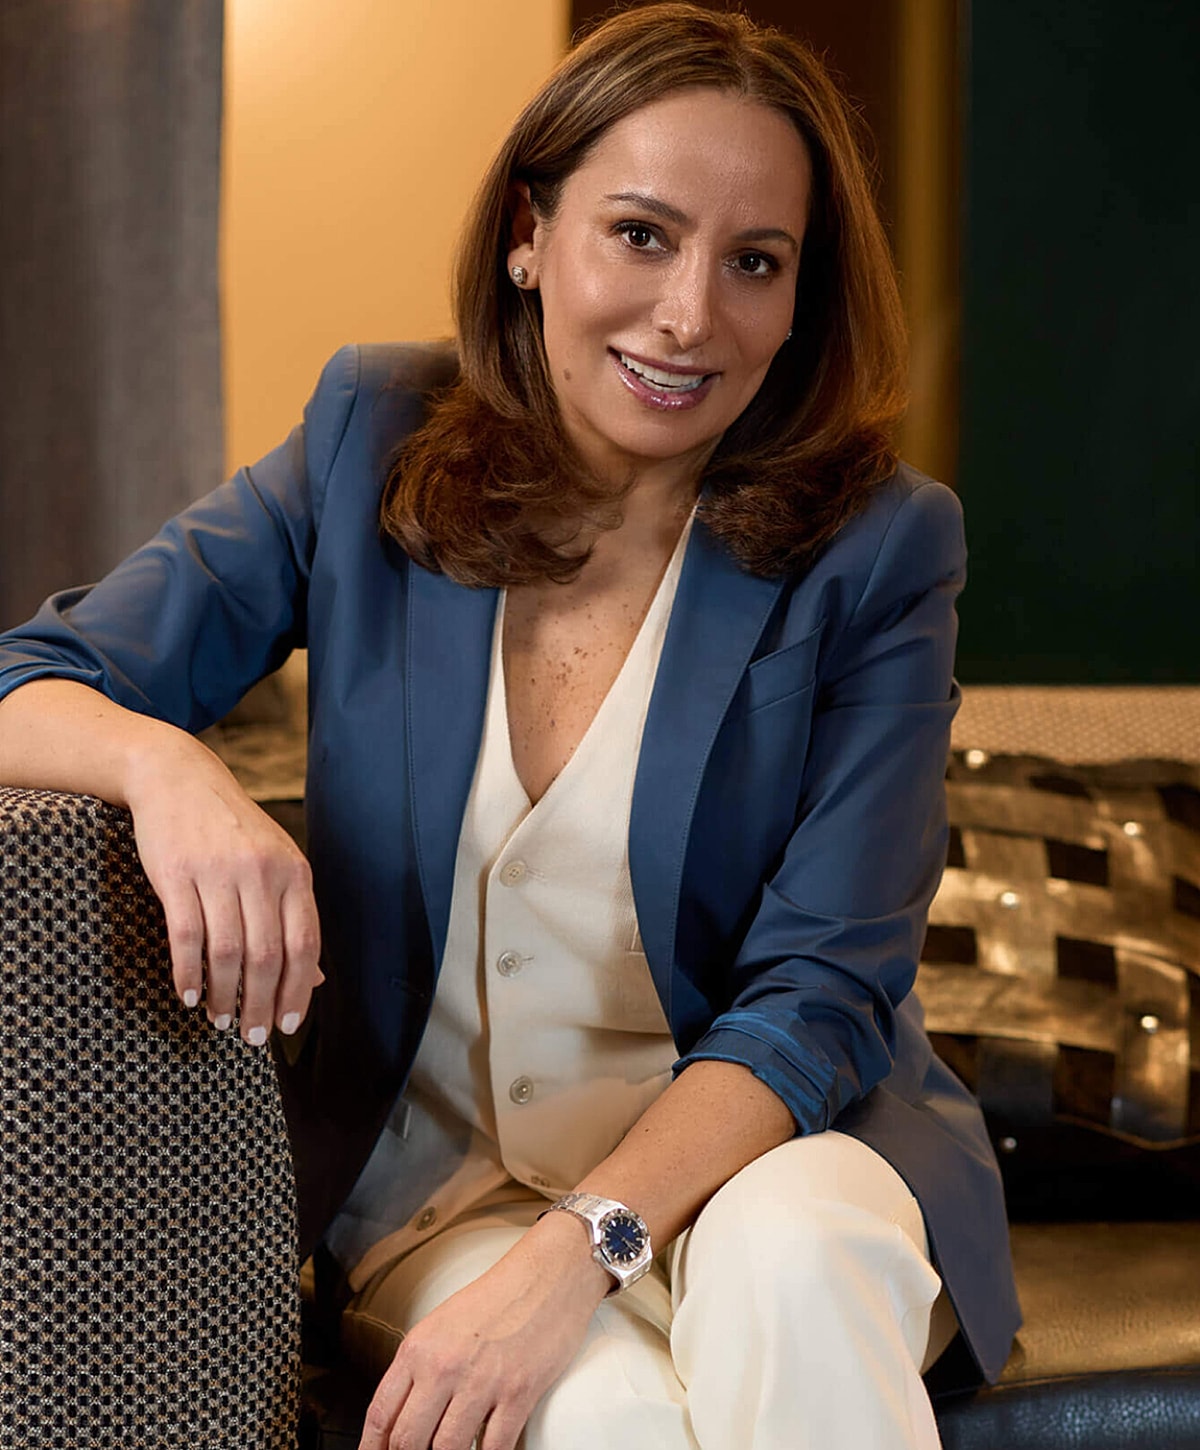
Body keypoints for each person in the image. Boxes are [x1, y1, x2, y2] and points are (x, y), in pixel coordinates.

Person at [0, 5, 1020, 1447]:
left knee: (796, 1266)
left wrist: (581, 1250)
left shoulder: (882, 544)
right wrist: (164, 764)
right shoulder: (369, 437)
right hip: (452, 1194)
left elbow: (823, 995)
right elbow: (28, 678)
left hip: (783, 1161)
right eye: (643, 234)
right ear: (530, 234)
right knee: (593, 1417)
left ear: (802, 301)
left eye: (756, 264)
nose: (690, 316)